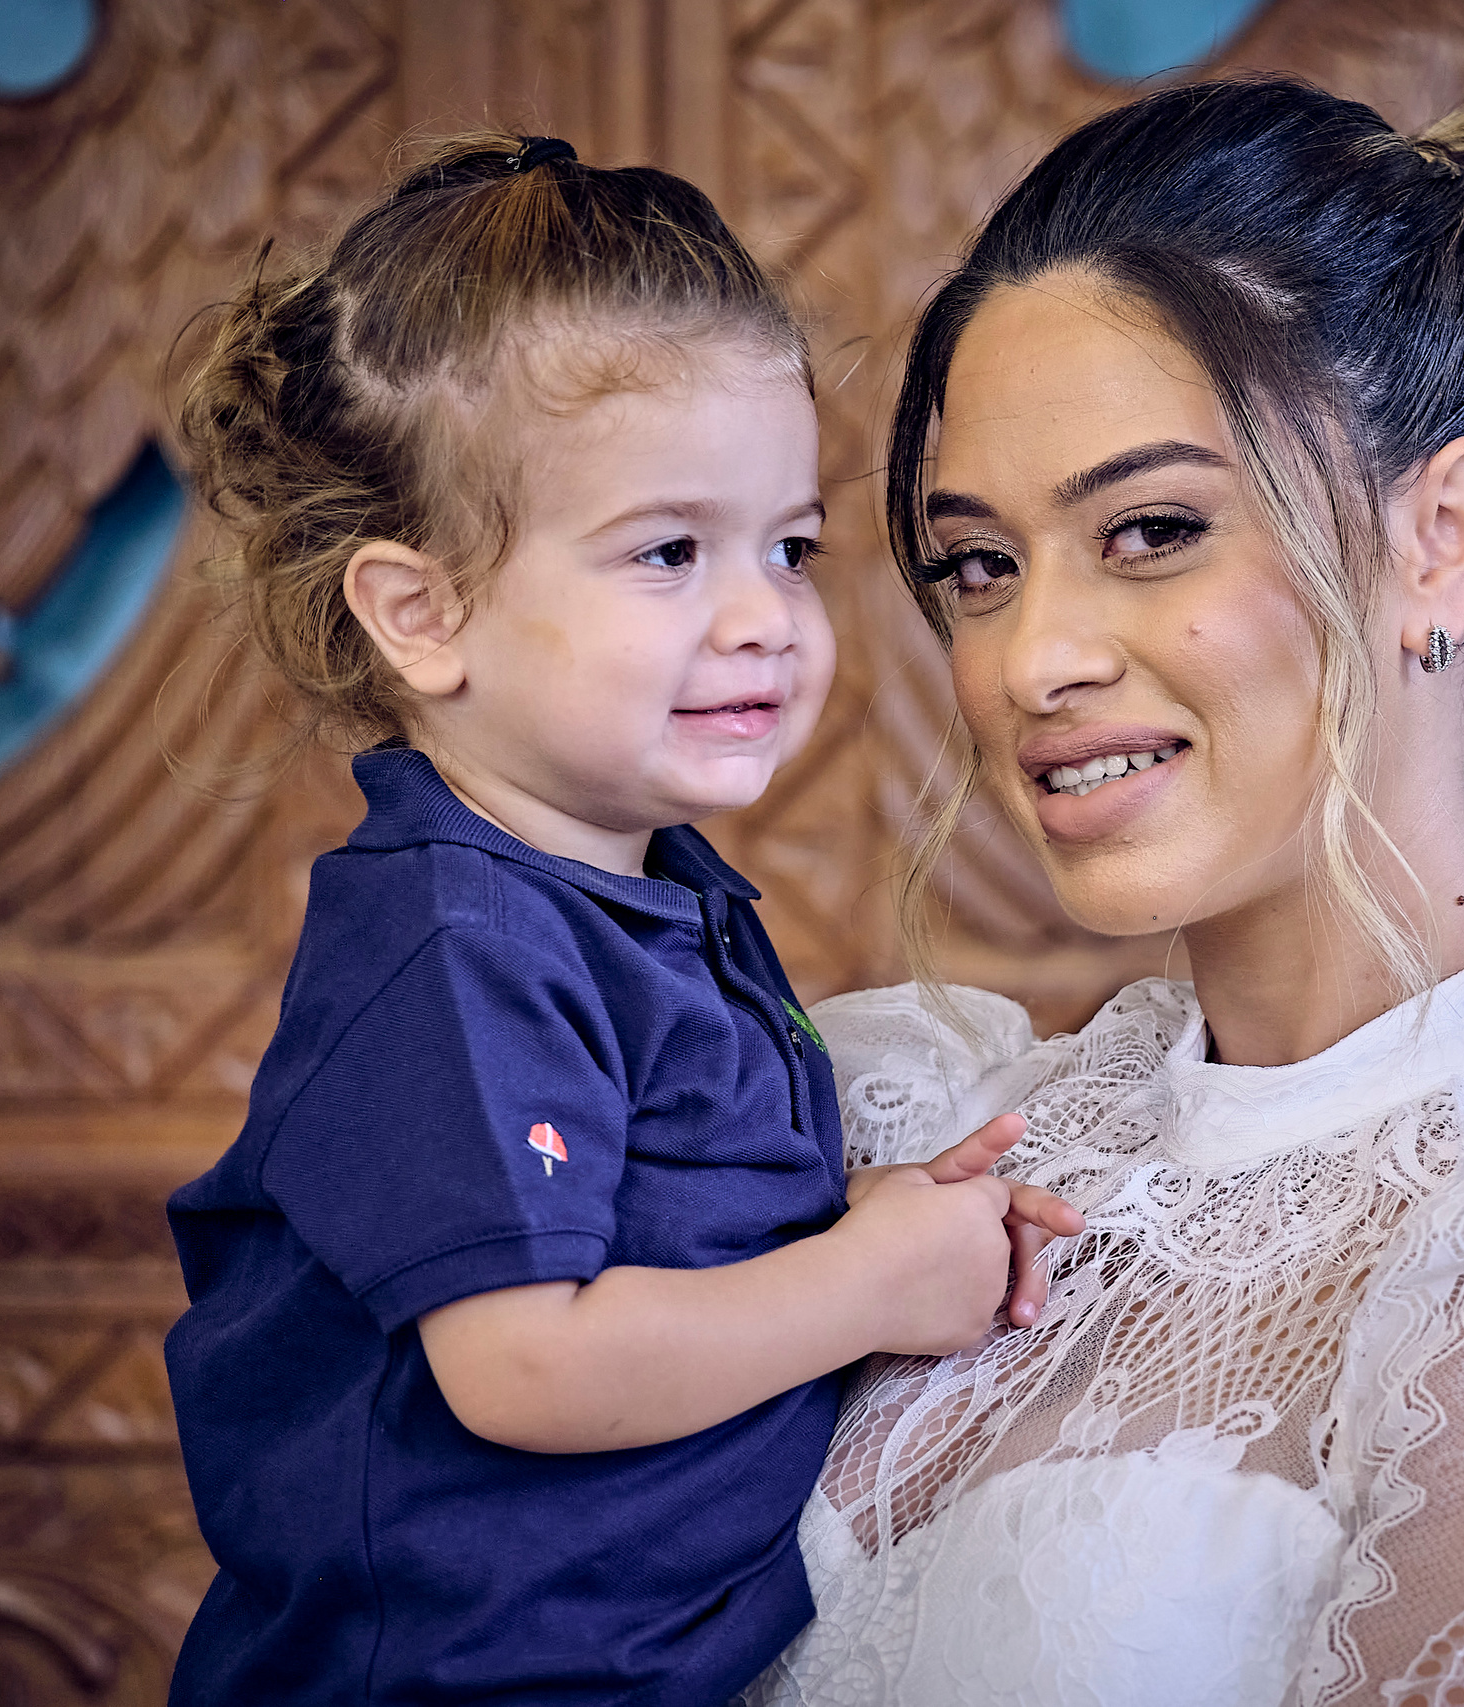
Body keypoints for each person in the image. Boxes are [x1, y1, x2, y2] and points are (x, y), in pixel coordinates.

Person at [747, 79, 1464, 1707]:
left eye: (1150, 529)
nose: (1029, 663)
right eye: (979, 565)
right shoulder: (916, 1113)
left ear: (1443, 536)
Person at [161, 133, 1080, 1707]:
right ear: (422, 612)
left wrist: (869, 1209)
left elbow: (646, 1207)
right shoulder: (458, 946)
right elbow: (528, 1360)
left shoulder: (637, 891)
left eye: (787, 548)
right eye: (668, 552)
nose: (761, 618)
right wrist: (862, 1287)